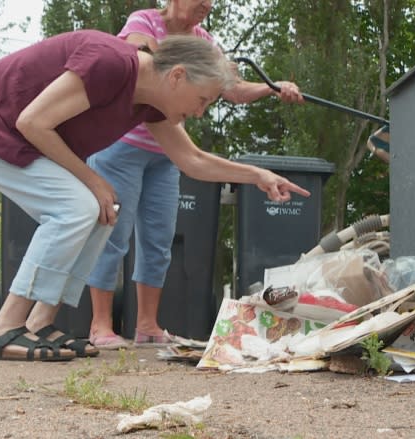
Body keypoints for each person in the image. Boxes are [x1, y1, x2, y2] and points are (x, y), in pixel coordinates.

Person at [0, 30, 310, 361]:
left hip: (19, 135)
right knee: (78, 205)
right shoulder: (111, 63)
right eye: (203, 99)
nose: (200, 112)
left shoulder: (150, 101)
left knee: (100, 210)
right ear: (177, 76)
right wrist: (92, 179)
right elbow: (32, 121)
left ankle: (39, 322)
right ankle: (3, 329)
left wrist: (256, 175)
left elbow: (191, 159)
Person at [86, 0, 305, 349]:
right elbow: (137, 55)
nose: (208, 4)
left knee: (159, 241)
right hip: (122, 145)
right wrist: (193, 62)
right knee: (112, 234)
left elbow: (231, 87)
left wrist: (271, 86)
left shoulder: (205, 40)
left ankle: (147, 325)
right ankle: (100, 325)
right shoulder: (143, 21)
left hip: (167, 153)